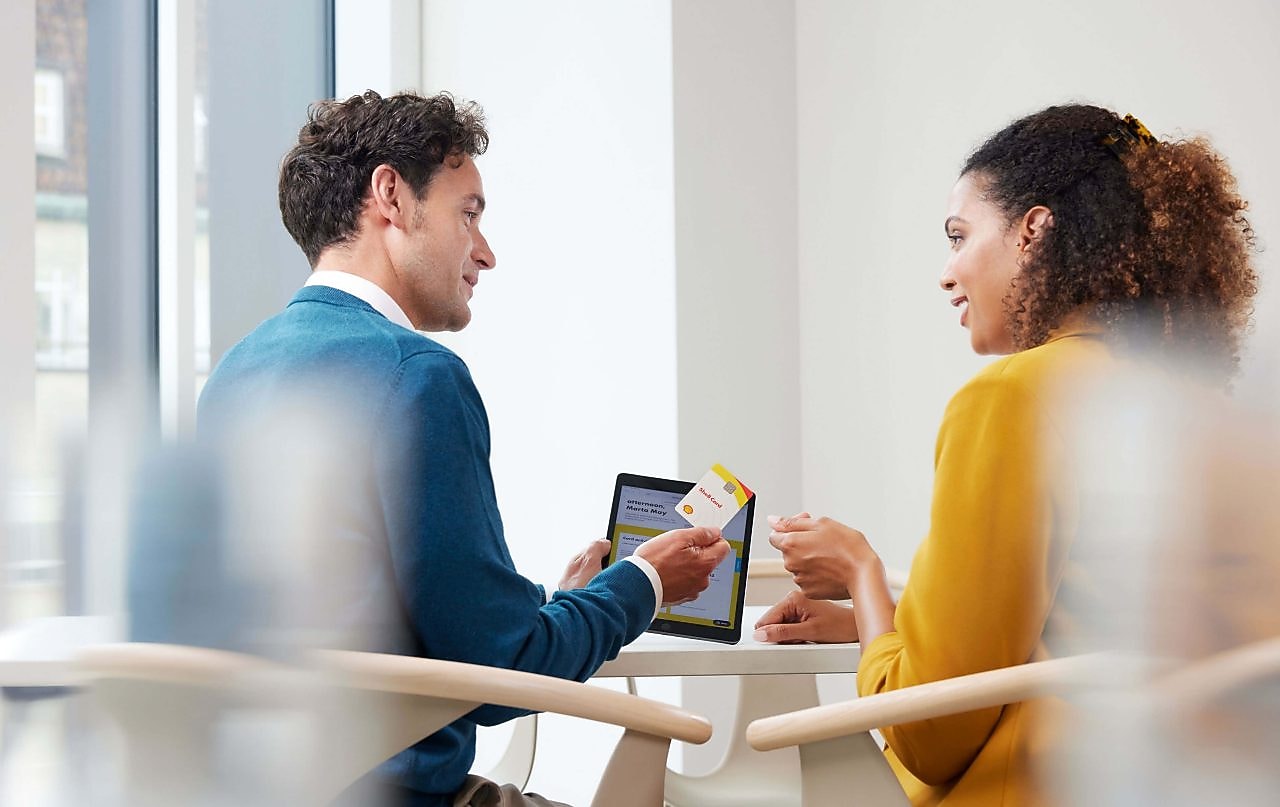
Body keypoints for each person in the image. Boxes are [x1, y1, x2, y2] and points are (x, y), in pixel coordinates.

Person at [195, 90, 730, 807]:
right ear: (391, 196)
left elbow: (386, 620)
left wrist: (566, 604)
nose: (486, 252)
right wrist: (644, 583)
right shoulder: (419, 376)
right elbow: (501, 671)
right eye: (468, 213)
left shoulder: (234, 373)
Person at [754, 104, 1259, 805]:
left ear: (1033, 230)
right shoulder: (1199, 409)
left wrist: (859, 572)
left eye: (958, 236)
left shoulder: (1012, 396)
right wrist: (877, 623)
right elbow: (1086, 622)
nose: (946, 273)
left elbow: (928, 733)